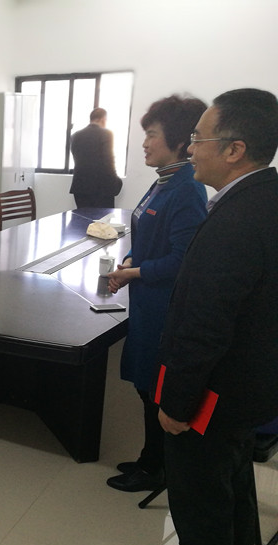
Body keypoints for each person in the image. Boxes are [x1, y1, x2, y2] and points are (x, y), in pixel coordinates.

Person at [122, 88, 278, 545]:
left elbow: (205, 325)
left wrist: (177, 403)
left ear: (234, 149)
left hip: (213, 393)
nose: (190, 150)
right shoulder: (263, 198)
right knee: (230, 487)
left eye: (198, 139)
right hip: (246, 388)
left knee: (201, 500)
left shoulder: (235, 219)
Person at [106, 96, 207, 493]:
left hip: (163, 308)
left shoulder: (187, 189)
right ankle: (150, 459)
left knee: (155, 388)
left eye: (151, 135)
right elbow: (148, 235)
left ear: (180, 141)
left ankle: (156, 469)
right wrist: (131, 259)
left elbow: (183, 261)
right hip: (146, 303)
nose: (144, 143)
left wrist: (132, 272)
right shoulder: (163, 179)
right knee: (146, 386)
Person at [70, 107, 123, 209]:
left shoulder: (75, 135)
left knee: (82, 217)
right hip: (102, 188)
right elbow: (109, 161)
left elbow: (77, 158)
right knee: (103, 218)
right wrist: (116, 183)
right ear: (103, 119)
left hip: (80, 187)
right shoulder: (107, 134)